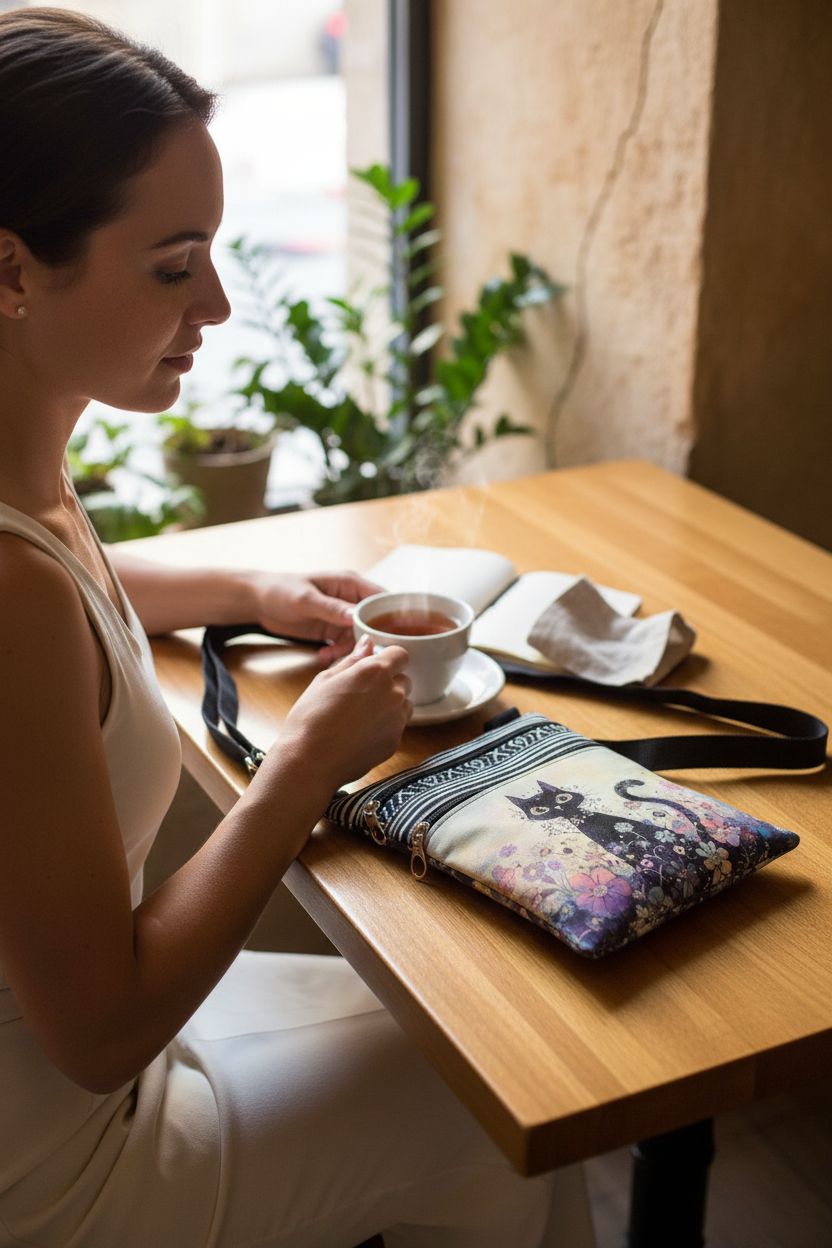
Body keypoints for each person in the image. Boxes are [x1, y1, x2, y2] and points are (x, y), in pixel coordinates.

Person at [0, 9, 594, 1247]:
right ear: (11, 272)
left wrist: (247, 594)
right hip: (56, 1166)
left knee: (465, 1039)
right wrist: (305, 765)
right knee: (507, 1098)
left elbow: (75, 574)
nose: (215, 301)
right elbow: (101, 1037)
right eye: (173, 266)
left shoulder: (29, 476)